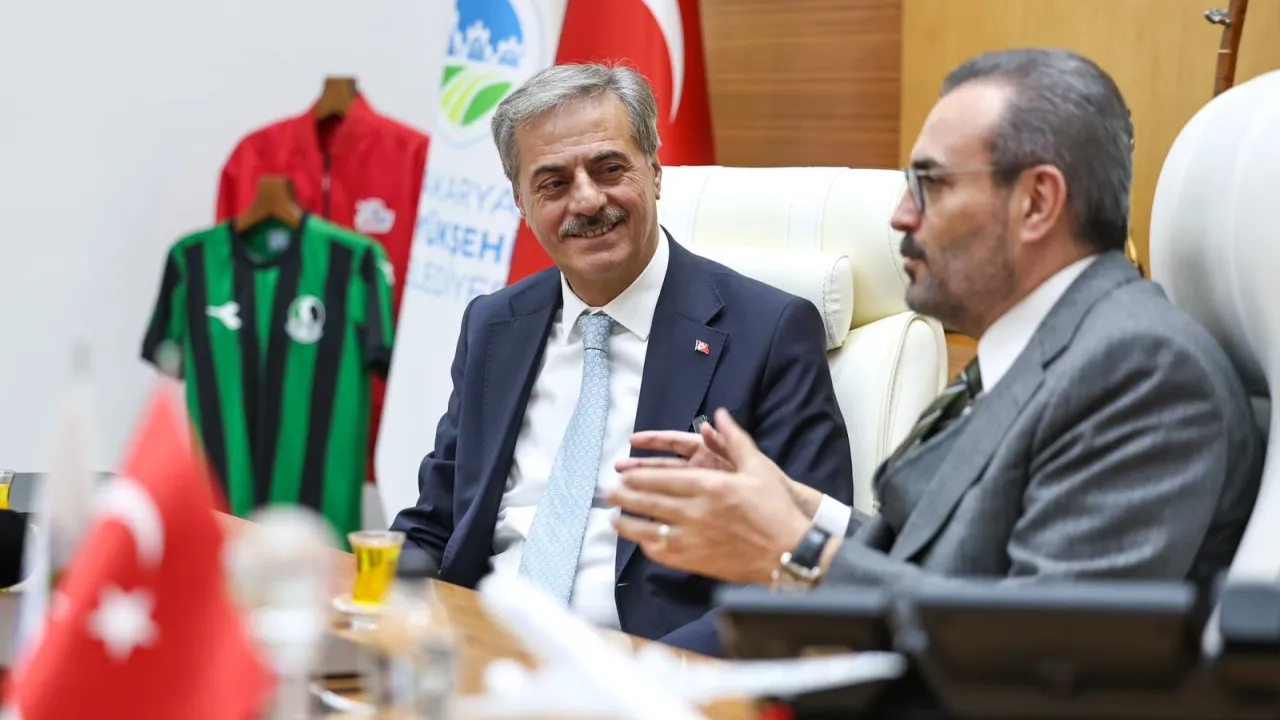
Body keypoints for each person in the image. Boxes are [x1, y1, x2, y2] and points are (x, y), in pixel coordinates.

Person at [606, 48, 1263, 595]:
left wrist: (794, 551)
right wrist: (794, 505)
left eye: (930, 183)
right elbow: (943, 568)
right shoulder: (1046, 344)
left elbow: (1047, 647)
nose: (899, 214)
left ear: (1037, 202)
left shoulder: (1141, 369)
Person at [388, 63, 853, 655]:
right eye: (553, 183)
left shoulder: (768, 332)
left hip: (654, 666)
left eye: (610, 169)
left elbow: (802, 566)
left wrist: (646, 671)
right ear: (521, 203)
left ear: (655, 172)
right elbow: (437, 522)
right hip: (478, 647)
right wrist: (372, 605)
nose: (587, 200)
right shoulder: (494, 324)